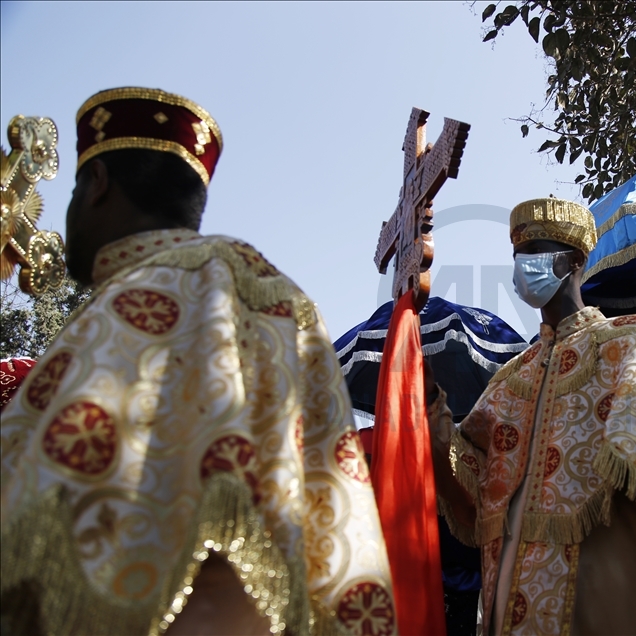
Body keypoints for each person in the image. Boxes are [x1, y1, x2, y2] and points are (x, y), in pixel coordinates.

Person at [0, 88, 394, 636]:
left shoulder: (161, 286)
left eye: (72, 188)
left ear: (97, 186)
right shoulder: (278, 296)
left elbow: (214, 558)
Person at [426, 197, 636, 635]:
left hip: (612, 579)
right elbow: (474, 477)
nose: (522, 268)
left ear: (572, 261)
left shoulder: (635, 339)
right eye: (517, 257)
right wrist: (430, 403)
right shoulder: (510, 378)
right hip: (513, 593)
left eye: (535, 253)